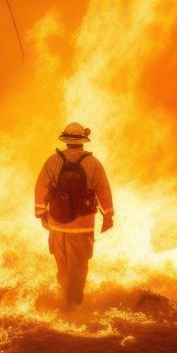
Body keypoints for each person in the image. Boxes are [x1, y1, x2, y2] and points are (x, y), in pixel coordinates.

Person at [34, 121, 114, 309]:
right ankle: (74, 304)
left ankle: (66, 298)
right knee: (78, 268)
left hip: (57, 225)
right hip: (82, 227)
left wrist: (42, 214)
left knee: (63, 268)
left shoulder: (52, 161)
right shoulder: (93, 164)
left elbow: (41, 188)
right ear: (83, 141)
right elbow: (104, 192)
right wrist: (108, 216)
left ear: (66, 140)